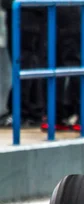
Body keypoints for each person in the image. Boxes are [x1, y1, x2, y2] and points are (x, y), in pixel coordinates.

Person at [0, 0, 46, 128]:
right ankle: (32, 110)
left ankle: (21, 111)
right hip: (37, 9)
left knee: (23, 60)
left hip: (23, 9)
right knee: (32, 60)